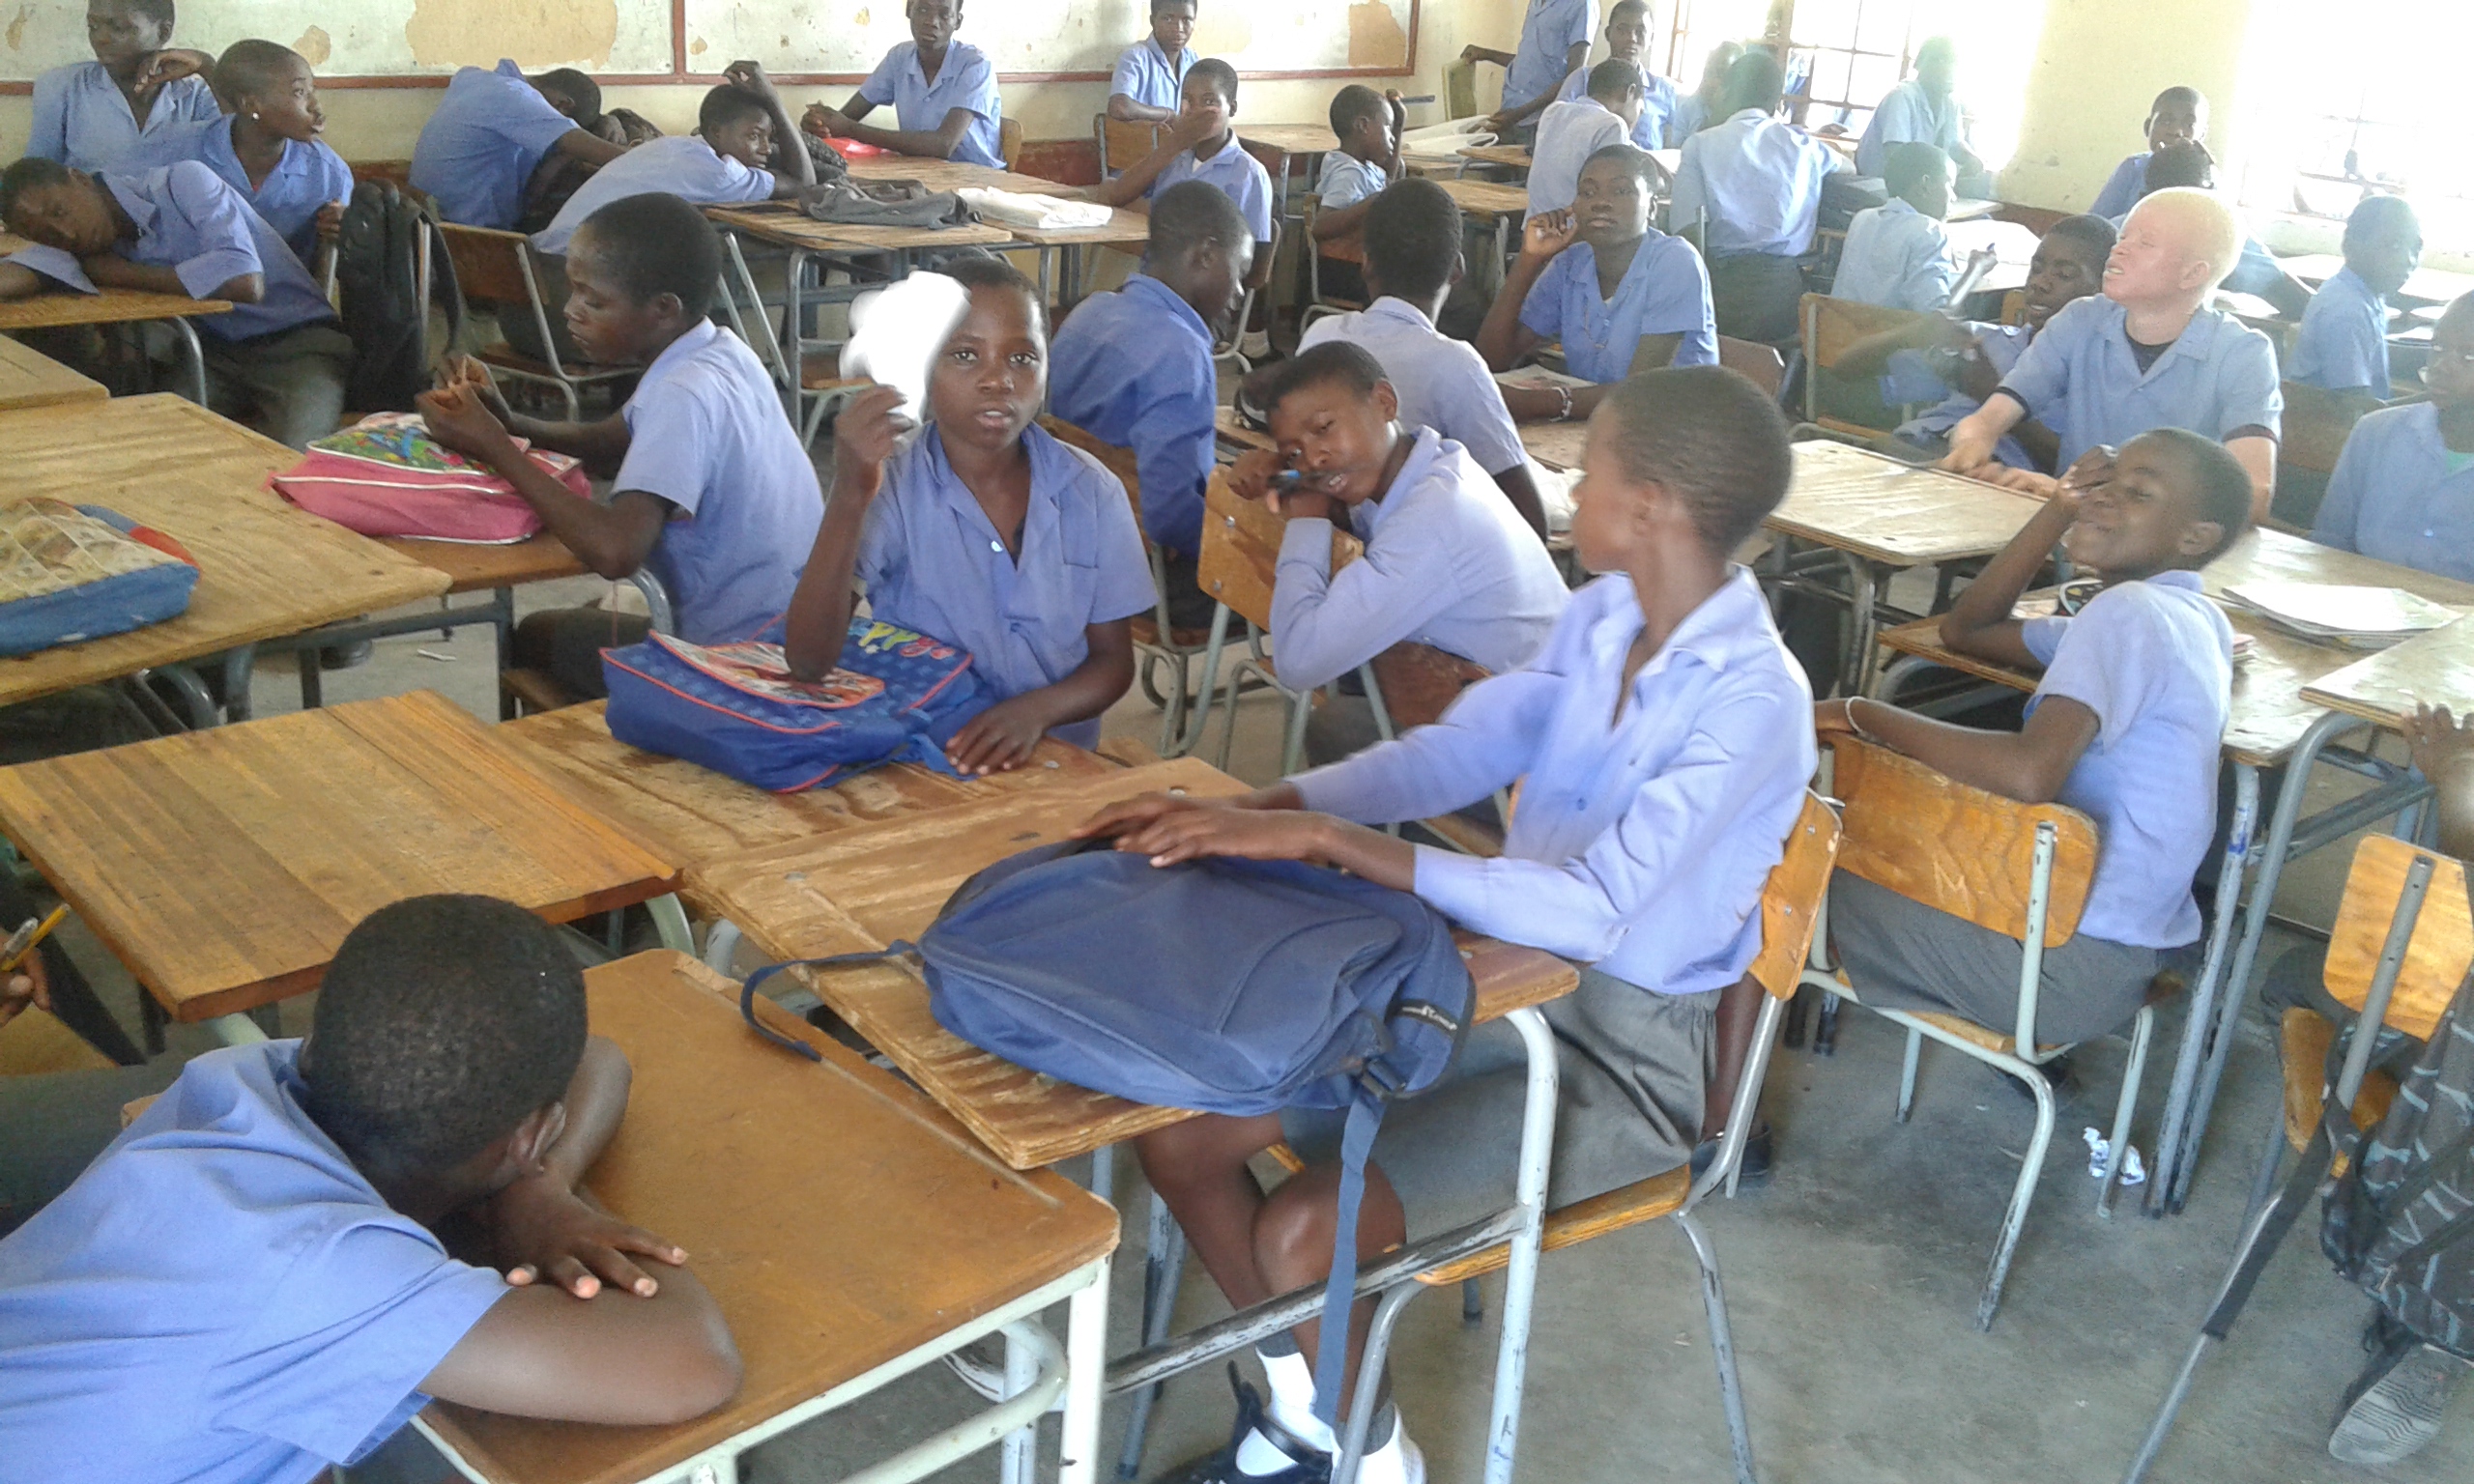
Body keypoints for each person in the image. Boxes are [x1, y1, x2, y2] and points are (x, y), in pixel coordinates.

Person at [1072, 365, 1814, 1484]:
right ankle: (1310, 1420)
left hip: (1617, 1064)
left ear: (1651, 506)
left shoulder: (1756, 698)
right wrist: (1269, 806)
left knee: (1304, 1230)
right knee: (1179, 1135)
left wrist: (1340, 842)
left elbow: (1596, 906)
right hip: (1493, 988)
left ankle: (1374, 1464)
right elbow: (1458, 752)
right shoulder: (1605, 617)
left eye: (1594, 471)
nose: (1575, 489)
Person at [0, 894, 743, 1484]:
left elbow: (597, 1059)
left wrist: (537, 1189)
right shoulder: (324, 1274)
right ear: (528, 1135)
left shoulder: (243, 1080)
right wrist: (534, 1183)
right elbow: (691, 1363)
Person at [1822, 428, 2247, 1046]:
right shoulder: (2195, 618)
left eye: (2138, 493)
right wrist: (2059, 505)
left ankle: (1730, 1082)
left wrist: (1859, 712)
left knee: (1778, 868)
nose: (2104, 496)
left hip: (2050, 964)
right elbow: (1967, 630)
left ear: (2195, 538)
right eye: (2103, 481)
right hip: (2105, 960)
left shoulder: (2129, 613)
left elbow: (2029, 773)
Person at [414, 193, 823, 699]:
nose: (571, 312)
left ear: (663, 310)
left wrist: (496, 447)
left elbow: (615, 552)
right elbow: (608, 441)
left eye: (594, 301)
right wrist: (509, 422)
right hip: (797, 634)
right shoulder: (718, 350)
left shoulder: (682, 392)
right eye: (573, 291)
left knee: (536, 634)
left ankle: (621, 745)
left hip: (738, 662)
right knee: (592, 617)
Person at [783, 258, 1151, 767]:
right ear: (924, 367)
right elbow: (807, 661)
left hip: (1057, 762)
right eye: (964, 355)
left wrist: (1033, 713)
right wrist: (849, 493)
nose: (998, 380)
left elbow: (1113, 662)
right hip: (928, 758)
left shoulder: (1093, 491)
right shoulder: (893, 485)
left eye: (1022, 358)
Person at [1223, 341, 1568, 762]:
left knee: (1337, 727)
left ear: (1385, 402)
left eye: (1324, 428)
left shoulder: (1435, 517)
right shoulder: (1418, 468)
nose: (1314, 459)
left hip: (1541, 754)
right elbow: (1319, 483)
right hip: (1493, 701)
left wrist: (1308, 522)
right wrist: (1284, 477)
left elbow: (1298, 662)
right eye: (1294, 452)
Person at [1940, 188, 2282, 518]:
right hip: (2071, 534)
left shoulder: (2242, 354)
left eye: (2145, 243)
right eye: (2123, 237)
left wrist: (2080, 496)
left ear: (2193, 274)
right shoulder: (2081, 320)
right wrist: (1972, 445)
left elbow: (2255, 494)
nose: (2119, 250)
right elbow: (1990, 418)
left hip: (2171, 548)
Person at [0, 157, 352, 449]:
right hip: (213, 355)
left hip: (300, 346)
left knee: (298, 458)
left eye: (60, 211)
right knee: (155, 445)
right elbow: (19, 275)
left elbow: (244, 281)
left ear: (79, 178)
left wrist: (121, 274)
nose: (66, 234)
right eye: (45, 235)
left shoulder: (183, 183)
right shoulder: (74, 244)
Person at [1289, 178, 1548, 538]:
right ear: (1457, 270)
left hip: (1327, 548)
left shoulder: (1320, 335)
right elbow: (1530, 520)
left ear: (1365, 263)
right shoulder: (1456, 364)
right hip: (1410, 555)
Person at [1049, 181, 1255, 629]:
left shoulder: (1088, 312)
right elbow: (1169, 516)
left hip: (1068, 547)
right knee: (1311, 577)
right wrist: (1242, 538)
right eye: (1239, 271)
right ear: (1205, 256)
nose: (1240, 292)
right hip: (1148, 577)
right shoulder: (1181, 353)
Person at [1833, 213, 2115, 471]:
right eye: (2037, 268)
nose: (2040, 283)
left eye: (2064, 275)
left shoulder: (2102, 377)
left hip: (1986, 479)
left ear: (2104, 291)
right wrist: (1911, 334)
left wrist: (1993, 397)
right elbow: (1844, 370)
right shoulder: (1984, 340)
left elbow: (2076, 469)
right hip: (1909, 450)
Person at [1480, 145, 1716, 412]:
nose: (1601, 202)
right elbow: (1493, 360)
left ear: (1651, 207)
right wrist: (1528, 260)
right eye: (1588, 192)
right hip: (1595, 422)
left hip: (1678, 424)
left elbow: (1640, 393)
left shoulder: (1675, 262)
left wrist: (1545, 402)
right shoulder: (1570, 265)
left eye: (1621, 191)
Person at [534, 68, 813, 258]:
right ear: (716, 132)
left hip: (541, 264)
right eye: (754, 136)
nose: (765, 148)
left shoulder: (676, 146)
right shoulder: (717, 173)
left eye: (768, 138)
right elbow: (803, 181)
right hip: (569, 273)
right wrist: (774, 101)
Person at [1670, 48, 1847, 344]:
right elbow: (1848, 166)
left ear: (1725, 92)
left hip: (1720, 291)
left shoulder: (1699, 145)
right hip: (1784, 299)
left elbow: (1688, 234)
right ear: (1777, 103)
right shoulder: (1804, 146)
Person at [141, 39, 353, 268]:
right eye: (299, 92)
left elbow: (332, 265)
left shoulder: (328, 174)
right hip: (180, 284)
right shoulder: (177, 150)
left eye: (312, 90)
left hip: (279, 289)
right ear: (250, 105)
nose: (316, 107)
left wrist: (346, 228)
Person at [2311, 293, 2474, 581]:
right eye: (2437, 348)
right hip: (2357, 596)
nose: (2442, 366)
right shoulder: (2376, 433)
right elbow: (2328, 544)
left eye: (2468, 356)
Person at [1087, 60, 1279, 299]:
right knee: (1097, 305)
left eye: (1209, 102)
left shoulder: (1248, 173)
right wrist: (1175, 143)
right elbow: (1116, 195)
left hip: (1204, 297)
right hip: (1153, 287)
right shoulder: (1174, 159)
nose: (1195, 111)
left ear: (1232, 108)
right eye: (1187, 100)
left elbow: (1256, 270)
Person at [409, 59, 629, 230]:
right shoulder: (516, 96)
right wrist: (648, 155)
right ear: (563, 104)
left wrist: (608, 119)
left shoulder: (475, 79)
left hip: (429, 223)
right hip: (469, 235)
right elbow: (600, 151)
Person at [2110, 139, 2313, 321]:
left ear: (2143, 195)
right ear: (2211, 193)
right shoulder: (2220, 236)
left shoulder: (2111, 231)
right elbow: (2297, 301)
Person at [801, 0, 1005, 168]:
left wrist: (849, 128)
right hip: (922, 171)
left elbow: (943, 145)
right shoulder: (899, 57)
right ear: (909, 10)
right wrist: (822, 124)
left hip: (979, 178)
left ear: (957, 21)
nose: (932, 22)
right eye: (923, 9)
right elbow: (846, 118)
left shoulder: (975, 65)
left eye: (944, 14)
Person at [26, 0, 219, 175]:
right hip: (93, 204)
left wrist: (207, 66)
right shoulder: (63, 88)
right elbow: (37, 179)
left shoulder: (198, 97)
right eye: (93, 26)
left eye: (118, 28)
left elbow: (233, 160)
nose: (100, 38)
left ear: (163, 32)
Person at [2291, 195, 2421, 402]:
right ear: (2350, 246)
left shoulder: (2362, 293)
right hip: (2328, 419)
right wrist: (2431, 401)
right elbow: (2355, 405)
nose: (2408, 260)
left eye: (2416, 248)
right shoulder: (2347, 312)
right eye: (2394, 245)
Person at [1831, 141, 1955, 312]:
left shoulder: (1863, 218)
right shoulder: (1929, 230)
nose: (1954, 197)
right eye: (1950, 185)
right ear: (1925, 186)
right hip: (1890, 328)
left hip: (1840, 324)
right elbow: (1936, 314)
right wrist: (1976, 269)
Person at [1854, 37, 1986, 195]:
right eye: (1938, 60)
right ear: (1918, 64)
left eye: (1952, 61)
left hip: (1918, 185)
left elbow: (1954, 145)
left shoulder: (1951, 102)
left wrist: (1972, 159)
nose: (1946, 67)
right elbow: (1896, 156)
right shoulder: (1901, 97)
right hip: (1878, 184)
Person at [1526, 59, 1644, 221]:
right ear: (1630, 92)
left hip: (1535, 227)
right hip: (1574, 230)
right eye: (1640, 109)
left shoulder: (1553, 111)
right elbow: (1614, 191)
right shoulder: (1613, 125)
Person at [1550, 1, 1676, 152]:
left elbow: (1677, 149)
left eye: (1640, 31)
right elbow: (1557, 129)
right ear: (1608, 34)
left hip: (1645, 164)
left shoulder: (1664, 91)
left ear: (1651, 38)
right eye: (1622, 30)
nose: (1632, 38)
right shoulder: (1582, 79)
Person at [1469, 0, 1598, 141]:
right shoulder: (1536, 3)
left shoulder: (1582, 4)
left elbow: (1573, 79)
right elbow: (1531, 62)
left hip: (1539, 123)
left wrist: (1519, 114)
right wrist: (1486, 54)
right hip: (1510, 111)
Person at [2088, 86, 2207, 222]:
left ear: (2202, 136)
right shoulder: (2133, 167)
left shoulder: (2208, 180)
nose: (2176, 131)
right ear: (2147, 127)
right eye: (2166, 121)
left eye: (2189, 125)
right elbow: (2095, 222)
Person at [1109, 0, 1198, 124]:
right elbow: (1120, 107)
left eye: (1186, 20)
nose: (1178, 28)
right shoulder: (1136, 58)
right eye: (1168, 19)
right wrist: (1168, 114)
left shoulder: (1192, 60)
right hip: (1146, 136)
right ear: (1152, 21)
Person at [1665, 40, 1742, 144]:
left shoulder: (1743, 116)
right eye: (1709, 72)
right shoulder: (1689, 107)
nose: (1711, 81)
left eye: (1720, 74)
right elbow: (1677, 149)